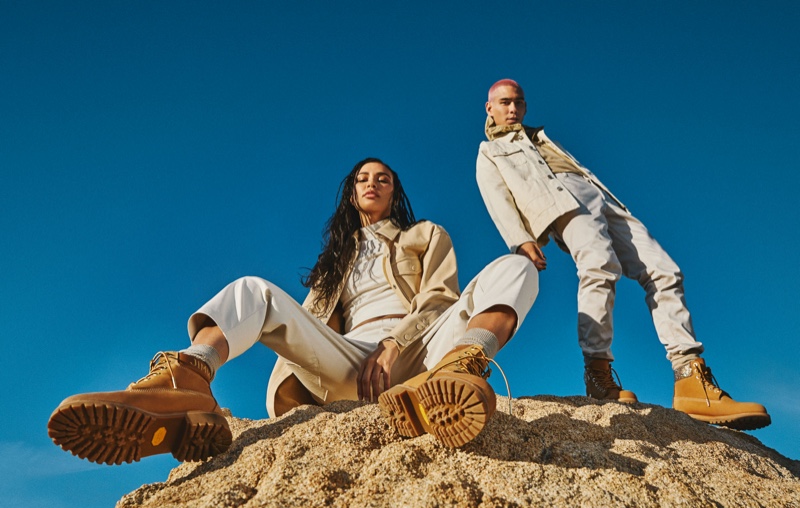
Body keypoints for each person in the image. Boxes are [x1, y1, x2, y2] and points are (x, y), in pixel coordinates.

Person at [48, 157, 539, 465]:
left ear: (394, 192)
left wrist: (394, 345)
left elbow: (438, 298)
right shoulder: (335, 263)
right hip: (349, 365)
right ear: (352, 192)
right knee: (253, 289)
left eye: (383, 179)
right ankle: (189, 378)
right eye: (364, 179)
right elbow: (304, 329)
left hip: (423, 355)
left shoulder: (425, 235)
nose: (373, 184)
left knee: (516, 268)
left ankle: (466, 365)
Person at [475, 79, 770, 430]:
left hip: (600, 197)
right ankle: (598, 374)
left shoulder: (540, 136)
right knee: (599, 267)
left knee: (664, 269)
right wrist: (520, 239)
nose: (513, 109)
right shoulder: (490, 151)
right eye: (505, 102)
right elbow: (496, 198)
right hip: (559, 202)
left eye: (519, 103)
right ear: (489, 107)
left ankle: (691, 379)